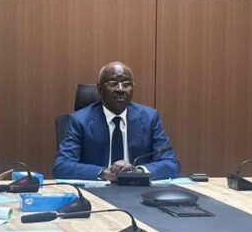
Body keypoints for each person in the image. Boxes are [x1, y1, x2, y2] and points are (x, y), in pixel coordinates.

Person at [53, 61, 181, 181]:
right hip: (98, 190)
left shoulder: (149, 118)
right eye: (113, 83)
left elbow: (171, 164)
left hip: (138, 188)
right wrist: (104, 173)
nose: (120, 89)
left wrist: (137, 171)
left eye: (126, 84)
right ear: (100, 89)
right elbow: (62, 166)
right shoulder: (80, 120)